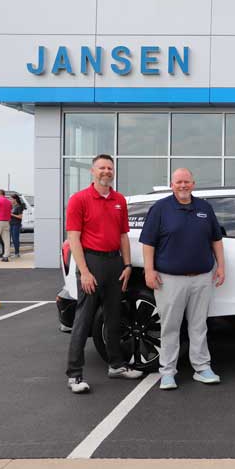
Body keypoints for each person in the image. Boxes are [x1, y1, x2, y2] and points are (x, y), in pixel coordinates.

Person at [140, 168, 226, 390]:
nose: (183, 185)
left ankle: (202, 368)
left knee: (199, 326)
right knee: (170, 327)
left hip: (202, 278)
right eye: (178, 182)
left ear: (193, 184)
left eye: (186, 181)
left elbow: (216, 239)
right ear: (171, 184)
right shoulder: (160, 209)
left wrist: (221, 267)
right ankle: (167, 372)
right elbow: (148, 243)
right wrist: (148, 271)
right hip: (170, 280)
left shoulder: (204, 208)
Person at [65, 154, 143, 394]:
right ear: (92, 171)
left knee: (113, 317)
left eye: (110, 168)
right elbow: (74, 238)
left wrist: (127, 265)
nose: (106, 171)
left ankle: (116, 366)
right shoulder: (79, 199)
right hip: (92, 262)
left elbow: (122, 236)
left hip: (114, 263)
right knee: (84, 319)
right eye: (102, 168)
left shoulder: (119, 199)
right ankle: (75, 375)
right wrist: (85, 272)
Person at [9, 194, 26, 258]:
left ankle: (17, 253)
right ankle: (14, 253)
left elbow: (20, 217)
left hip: (16, 224)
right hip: (11, 224)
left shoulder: (19, 206)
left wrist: (11, 214)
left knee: (15, 239)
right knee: (11, 239)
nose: (10, 200)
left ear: (15, 199)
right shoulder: (13, 206)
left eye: (11, 199)